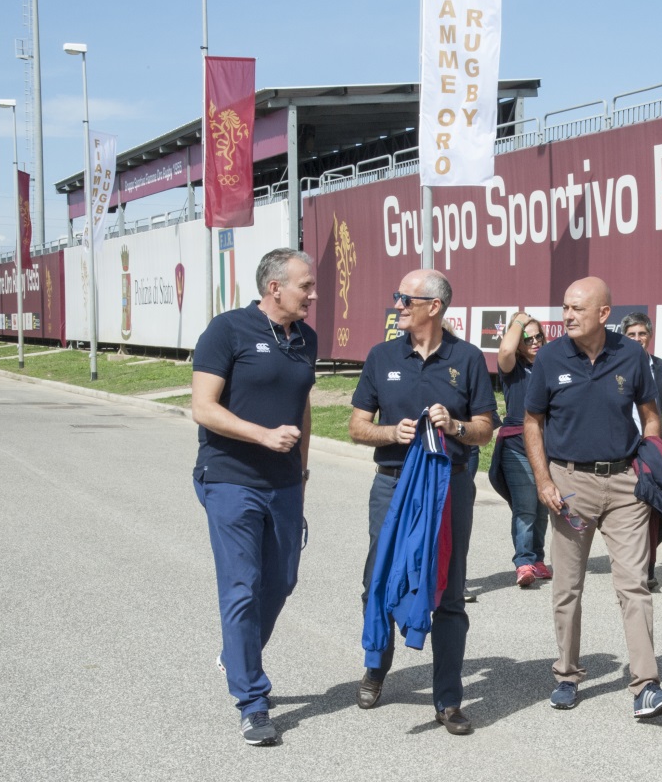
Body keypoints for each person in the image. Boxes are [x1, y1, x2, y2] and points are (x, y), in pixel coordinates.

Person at [524, 276, 662, 719]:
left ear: (603, 314)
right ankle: (567, 675)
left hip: (625, 486)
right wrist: (544, 481)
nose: (567, 316)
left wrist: (650, 464)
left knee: (634, 584)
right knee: (567, 587)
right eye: (565, 308)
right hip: (570, 486)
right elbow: (532, 421)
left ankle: (646, 685)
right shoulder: (550, 357)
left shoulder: (632, 355)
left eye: (576, 309)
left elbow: (651, 417)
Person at [349, 269, 497, 736]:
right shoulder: (381, 356)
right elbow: (356, 426)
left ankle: (448, 700)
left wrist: (454, 426)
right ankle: (377, 667)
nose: (397, 306)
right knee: (380, 579)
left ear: (433, 306)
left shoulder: (468, 359)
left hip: (448, 486)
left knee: (449, 592)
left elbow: (485, 429)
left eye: (405, 299)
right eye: (398, 298)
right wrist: (391, 432)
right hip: (391, 485)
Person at [191, 248, 318, 746]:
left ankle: (236, 652)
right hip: (230, 478)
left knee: (281, 581)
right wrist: (261, 435)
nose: (313, 294)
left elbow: (302, 406)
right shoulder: (227, 330)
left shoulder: (305, 337)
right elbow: (201, 407)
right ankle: (252, 700)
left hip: (285, 482)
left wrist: (302, 471)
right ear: (275, 288)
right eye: (305, 286)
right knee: (242, 586)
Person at [495, 312, 552, 587]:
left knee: (544, 507)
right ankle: (524, 562)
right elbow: (505, 349)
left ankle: (538, 558)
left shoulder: (550, 366)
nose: (534, 342)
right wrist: (519, 320)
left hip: (546, 444)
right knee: (526, 507)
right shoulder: (512, 368)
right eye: (527, 338)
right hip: (517, 444)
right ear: (518, 342)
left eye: (538, 336)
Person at [620, 312, 662, 589]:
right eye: (632, 335)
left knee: (654, 507)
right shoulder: (615, 366)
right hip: (623, 447)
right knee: (630, 509)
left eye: (642, 334)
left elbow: (657, 410)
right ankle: (632, 565)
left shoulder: (661, 367)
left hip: (651, 445)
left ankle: (648, 568)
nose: (638, 339)